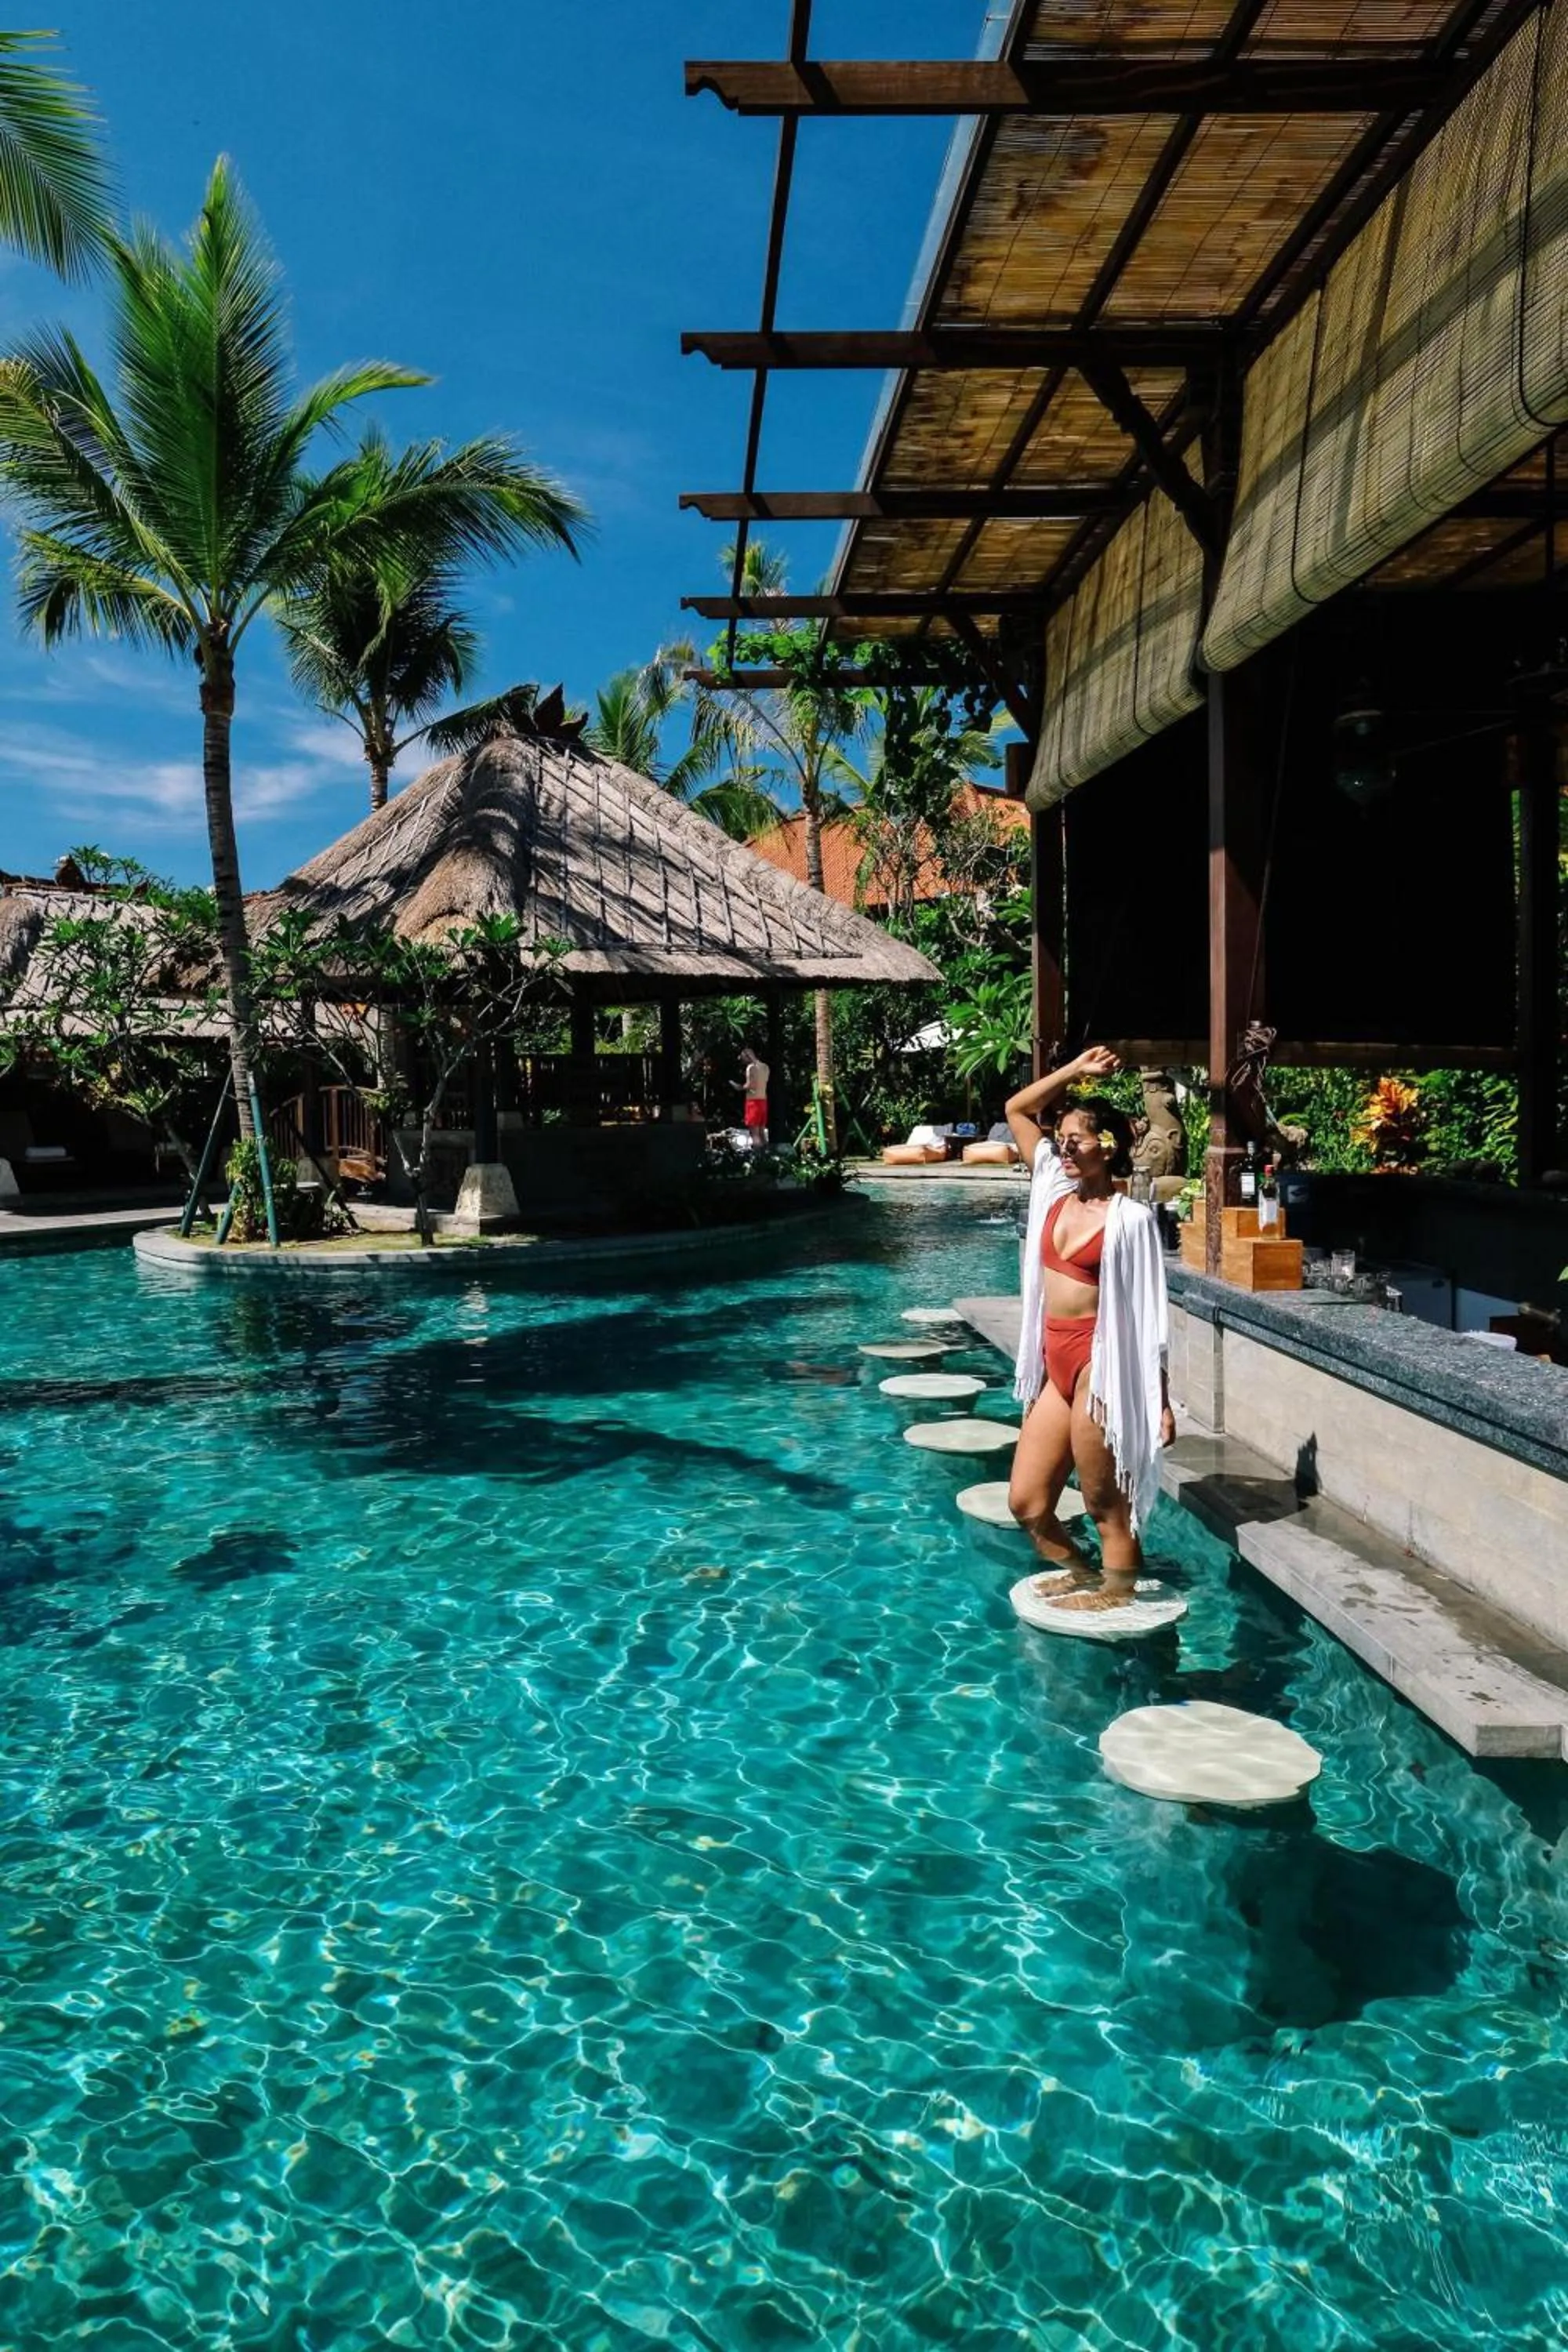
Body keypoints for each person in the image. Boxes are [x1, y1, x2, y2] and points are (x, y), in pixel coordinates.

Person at [1004, 1045, 1176, 1612]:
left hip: (1098, 1368)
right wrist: (1075, 1072)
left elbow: (1150, 1317)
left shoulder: (1130, 1220)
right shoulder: (1053, 1187)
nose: (1065, 1145)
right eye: (1063, 1136)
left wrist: (1162, 1400)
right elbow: (1017, 1109)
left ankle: (1116, 1593)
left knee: (1105, 1505)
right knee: (1028, 1503)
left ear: (1110, 1145)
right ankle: (1082, 1572)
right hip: (1054, 1359)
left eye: (1078, 1137)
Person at [739, 1042, 770, 1145]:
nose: (743, 1060)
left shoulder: (751, 1068)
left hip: (753, 1102)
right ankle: (768, 1157)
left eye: (743, 1057)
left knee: (755, 1134)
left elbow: (751, 1086)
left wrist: (740, 1087)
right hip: (763, 1101)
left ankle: (758, 1158)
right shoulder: (765, 1067)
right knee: (762, 1132)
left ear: (748, 1056)